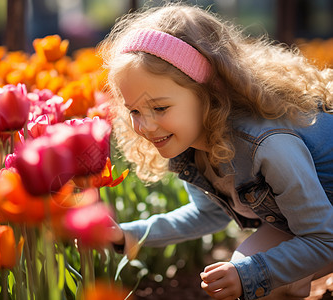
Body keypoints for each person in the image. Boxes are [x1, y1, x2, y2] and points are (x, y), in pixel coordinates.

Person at [98, 3, 333, 300]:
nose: (145, 126)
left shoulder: (268, 145)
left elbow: (325, 238)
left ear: (210, 91)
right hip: (320, 228)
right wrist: (128, 234)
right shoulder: (196, 148)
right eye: (134, 110)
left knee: (253, 276)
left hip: (326, 232)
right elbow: (205, 215)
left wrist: (250, 274)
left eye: (160, 108)